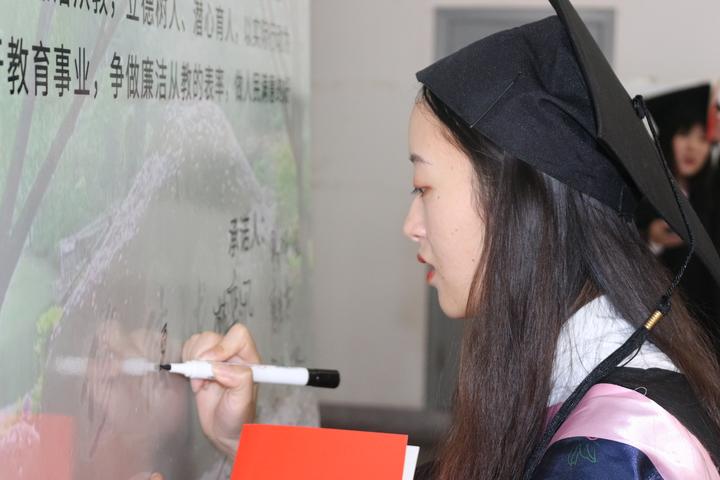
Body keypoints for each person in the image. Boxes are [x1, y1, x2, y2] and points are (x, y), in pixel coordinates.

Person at [183, 1, 720, 478]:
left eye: (424, 187)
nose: (410, 224)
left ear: (515, 206)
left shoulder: (617, 450)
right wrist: (243, 442)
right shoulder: (579, 380)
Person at [636, 84, 720, 349]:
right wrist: (652, 240)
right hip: (654, 326)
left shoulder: (709, 201)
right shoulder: (643, 192)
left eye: (702, 139)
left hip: (702, 333)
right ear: (669, 135)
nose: (693, 147)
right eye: (684, 134)